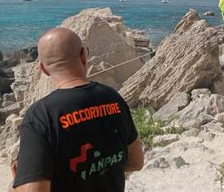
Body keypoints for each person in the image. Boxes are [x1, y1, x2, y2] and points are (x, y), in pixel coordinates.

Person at [10, 28, 144, 192]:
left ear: (43, 69)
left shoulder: (41, 115)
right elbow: (136, 162)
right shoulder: (113, 98)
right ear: (83, 56)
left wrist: (16, 184)